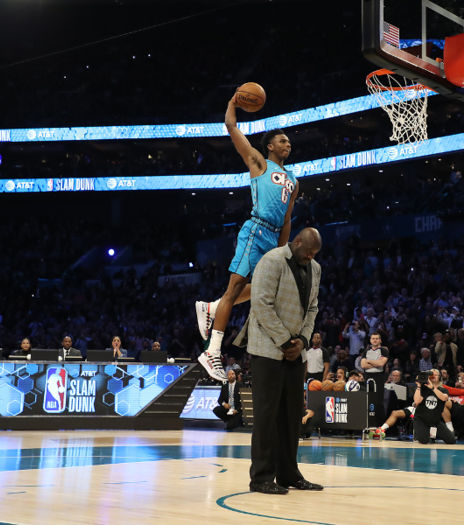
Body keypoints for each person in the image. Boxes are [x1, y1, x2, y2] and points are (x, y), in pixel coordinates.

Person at [195, 94, 299, 382]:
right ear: (269, 146)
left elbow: (288, 219)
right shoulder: (258, 162)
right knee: (235, 288)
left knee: (263, 288)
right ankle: (212, 350)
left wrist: (282, 252)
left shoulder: (293, 181)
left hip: (273, 239)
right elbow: (231, 127)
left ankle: (211, 308)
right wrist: (231, 103)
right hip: (255, 230)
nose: (287, 144)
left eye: (289, 141)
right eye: (282, 140)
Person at [233, 227, 322, 495]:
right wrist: (286, 342)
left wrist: (303, 342)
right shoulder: (271, 260)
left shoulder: (315, 268)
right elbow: (260, 304)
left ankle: (288, 474)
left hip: (296, 351)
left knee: (291, 415)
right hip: (267, 349)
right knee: (266, 415)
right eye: (307, 251)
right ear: (296, 242)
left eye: (314, 253)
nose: (310, 256)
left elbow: (313, 307)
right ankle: (261, 478)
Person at [377, 369, 455, 444]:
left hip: (435, 421)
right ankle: (422, 432)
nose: (433, 376)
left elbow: (444, 398)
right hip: (421, 419)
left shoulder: (443, 390)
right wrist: (419, 385)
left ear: (440, 378)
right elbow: (417, 401)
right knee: (424, 441)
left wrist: (432, 388)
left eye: (435, 375)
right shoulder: (423, 389)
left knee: (451, 440)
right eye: (431, 375)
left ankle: (431, 433)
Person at [361, 332, 389, 426]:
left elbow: (381, 364)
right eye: (373, 338)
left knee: (378, 402)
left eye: (377, 338)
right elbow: (363, 365)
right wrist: (375, 362)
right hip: (368, 377)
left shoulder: (384, 351)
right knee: (368, 401)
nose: (375, 340)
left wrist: (369, 361)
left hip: (379, 377)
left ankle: (380, 425)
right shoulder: (366, 352)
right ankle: (368, 424)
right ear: (370, 340)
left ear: (380, 340)